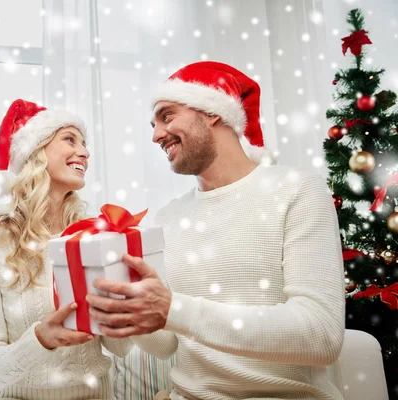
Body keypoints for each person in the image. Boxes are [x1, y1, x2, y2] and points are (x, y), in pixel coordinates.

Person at [86, 61, 346, 400]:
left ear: (212, 112)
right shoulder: (169, 217)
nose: (156, 135)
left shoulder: (297, 191)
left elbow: (320, 335)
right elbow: (166, 344)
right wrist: (124, 305)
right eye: (153, 124)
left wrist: (173, 309)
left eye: (167, 116)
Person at [0, 99, 131, 400]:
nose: (85, 152)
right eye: (69, 139)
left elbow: (120, 347)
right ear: (35, 153)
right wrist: (41, 339)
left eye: (85, 143)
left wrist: (124, 309)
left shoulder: (94, 237)